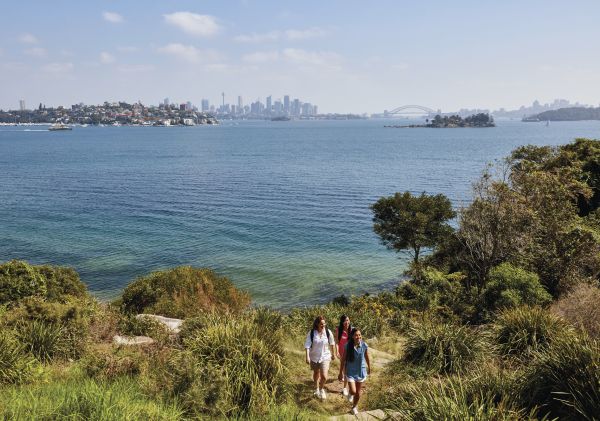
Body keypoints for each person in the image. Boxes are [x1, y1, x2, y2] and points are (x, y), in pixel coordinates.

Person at [339, 328, 371, 415]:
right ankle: (350, 393)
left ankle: (354, 407)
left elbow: (367, 357)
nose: (358, 337)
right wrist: (340, 372)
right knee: (353, 391)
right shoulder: (347, 346)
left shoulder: (364, 345)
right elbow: (343, 360)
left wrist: (369, 368)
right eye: (356, 335)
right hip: (350, 372)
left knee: (358, 392)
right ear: (352, 336)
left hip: (361, 371)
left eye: (359, 335)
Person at [304, 315, 336, 400]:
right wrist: (307, 357)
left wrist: (333, 354)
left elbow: (332, 343)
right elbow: (307, 345)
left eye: (324, 324)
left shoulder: (328, 332)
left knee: (324, 376)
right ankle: (316, 389)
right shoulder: (311, 333)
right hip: (314, 357)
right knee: (316, 373)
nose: (323, 326)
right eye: (321, 324)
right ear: (317, 324)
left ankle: (322, 389)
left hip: (325, 356)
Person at [335, 314, 352, 397]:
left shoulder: (352, 330)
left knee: (346, 369)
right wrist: (337, 351)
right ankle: (345, 388)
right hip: (342, 352)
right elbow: (337, 342)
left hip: (350, 352)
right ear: (342, 322)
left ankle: (345, 386)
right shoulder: (338, 330)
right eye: (345, 320)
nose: (347, 322)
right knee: (345, 368)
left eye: (348, 320)